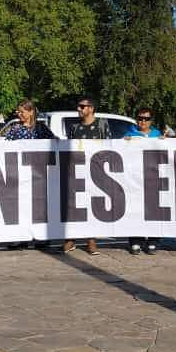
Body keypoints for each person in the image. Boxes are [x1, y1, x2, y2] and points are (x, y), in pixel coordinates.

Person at [1, 99, 55, 249]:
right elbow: (5, 145)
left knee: (38, 206)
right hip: (19, 174)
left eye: (22, 111)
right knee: (21, 206)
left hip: (38, 174)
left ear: (31, 112)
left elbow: (54, 142)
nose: (19, 114)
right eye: (18, 112)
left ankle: (41, 237)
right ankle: (21, 237)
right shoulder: (15, 128)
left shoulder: (41, 128)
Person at [63, 97, 111, 255]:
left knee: (92, 205)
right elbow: (69, 147)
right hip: (77, 170)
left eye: (82, 106)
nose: (79, 109)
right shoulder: (74, 127)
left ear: (91, 108)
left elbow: (110, 146)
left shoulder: (102, 124)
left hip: (96, 170)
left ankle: (91, 239)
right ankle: (71, 238)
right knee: (75, 205)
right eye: (78, 106)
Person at [124, 107, 163, 255]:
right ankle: (135, 240)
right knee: (135, 210)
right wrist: (124, 143)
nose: (143, 121)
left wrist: (165, 142)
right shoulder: (129, 134)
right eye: (140, 118)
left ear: (151, 121)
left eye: (146, 119)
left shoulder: (157, 134)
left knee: (154, 210)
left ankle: (153, 240)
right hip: (135, 178)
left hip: (153, 177)